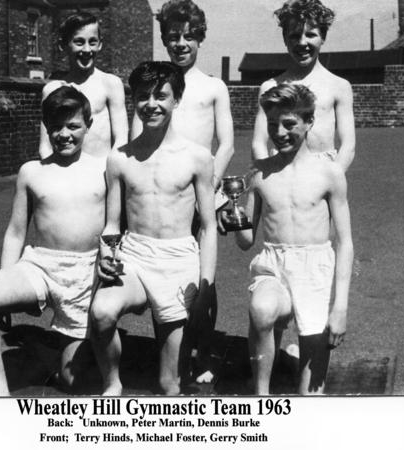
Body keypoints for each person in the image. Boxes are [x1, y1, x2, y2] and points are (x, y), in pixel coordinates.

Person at [0, 86, 106, 396]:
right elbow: (16, 232)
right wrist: (4, 280)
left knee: (73, 381)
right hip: (39, 266)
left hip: (86, 274)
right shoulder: (31, 171)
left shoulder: (105, 168)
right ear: (45, 127)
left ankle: (53, 350)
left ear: (88, 125)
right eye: (56, 126)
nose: (64, 134)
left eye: (73, 126)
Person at [90, 61, 217, 396]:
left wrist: (206, 285)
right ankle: (112, 382)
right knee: (101, 313)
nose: (151, 104)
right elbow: (112, 223)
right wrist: (106, 255)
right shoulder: (119, 159)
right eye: (143, 96)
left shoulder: (198, 157)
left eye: (161, 95)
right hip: (135, 255)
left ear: (177, 99)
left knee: (170, 386)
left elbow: (208, 226)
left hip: (178, 260)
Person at [131, 0, 234, 383]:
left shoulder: (213, 87)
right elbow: (136, 141)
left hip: (203, 188)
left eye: (189, 36)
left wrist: (210, 183)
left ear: (200, 38)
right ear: (164, 39)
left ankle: (203, 351)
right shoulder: (154, 88)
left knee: (203, 275)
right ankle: (170, 354)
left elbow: (226, 143)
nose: (181, 43)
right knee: (163, 273)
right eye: (173, 36)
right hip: (164, 193)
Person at [228, 83, 353, 395]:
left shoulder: (330, 173)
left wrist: (340, 307)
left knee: (309, 395)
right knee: (261, 309)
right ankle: (261, 395)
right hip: (273, 264)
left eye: (289, 124)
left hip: (315, 268)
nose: (280, 133)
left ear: (309, 122)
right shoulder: (260, 174)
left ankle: (299, 370)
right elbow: (246, 241)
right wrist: (232, 216)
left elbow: (345, 243)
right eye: (273, 125)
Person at [252, 0, 355, 171]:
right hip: (282, 171)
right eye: (294, 36)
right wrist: (269, 173)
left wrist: (332, 178)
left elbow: (348, 146)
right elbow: (258, 143)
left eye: (310, 35)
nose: (302, 43)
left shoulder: (339, 86)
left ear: (323, 38)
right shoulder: (269, 87)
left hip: (325, 172)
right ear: (285, 39)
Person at [39, 12, 128, 159]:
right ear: (63, 45)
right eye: (79, 42)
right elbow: (45, 146)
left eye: (92, 42)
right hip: (62, 170)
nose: (87, 50)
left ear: (100, 44)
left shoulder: (110, 84)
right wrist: (52, 171)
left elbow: (121, 140)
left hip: (101, 170)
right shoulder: (52, 89)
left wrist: (113, 170)